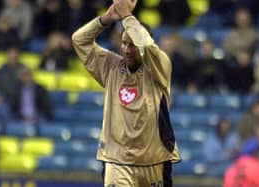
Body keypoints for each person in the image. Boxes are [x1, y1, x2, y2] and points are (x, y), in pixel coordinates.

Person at [72, 0, 180, 186]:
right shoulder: (111, 67)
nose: (126, 50)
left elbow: (147, 46)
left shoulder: (159, 67)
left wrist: (127, 17)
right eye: (124, 44)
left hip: (154, 159)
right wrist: (106, 19)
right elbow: (79, 40)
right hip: (117, 161)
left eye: (132, 45)